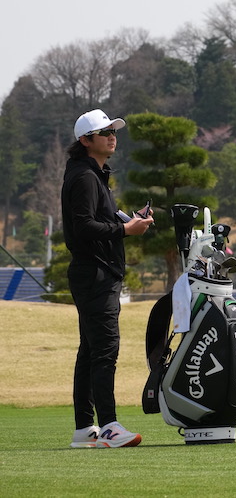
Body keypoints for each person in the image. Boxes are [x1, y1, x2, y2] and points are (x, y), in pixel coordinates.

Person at [62, 109, 154, 448]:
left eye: (113, 131)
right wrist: (126, 230)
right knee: (104, 350)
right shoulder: (86, 177)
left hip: (95, 272)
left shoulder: (92, 174)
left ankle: (84, 429)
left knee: (90, 351)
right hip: (95, 274)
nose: (112, 136)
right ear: (86, 140)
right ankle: (110, 427)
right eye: (104, 132)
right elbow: (84, 226)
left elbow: (98, 220)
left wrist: (129, 222)